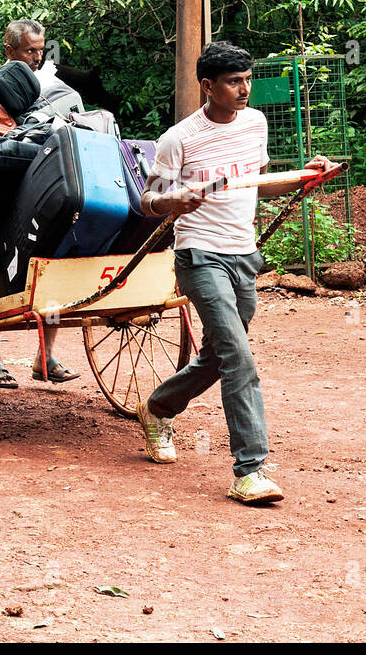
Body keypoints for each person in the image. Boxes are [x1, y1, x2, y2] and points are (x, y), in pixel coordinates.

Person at [136, 41, 330, 505]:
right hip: (199, 256)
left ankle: (158, 408)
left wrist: (307, 177)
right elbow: (147, 201)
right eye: (233, 81)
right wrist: (172, 201)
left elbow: (263, 184)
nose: (245, 90)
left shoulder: (256, 124)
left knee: (222, 356)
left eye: (248, 80)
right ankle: (250, 471)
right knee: (239, 357)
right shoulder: (178, 138)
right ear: (208, 86)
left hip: (244, 254)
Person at [0, 18, 81, 387]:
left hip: (40, 185)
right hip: (1, 190)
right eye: (29, 52)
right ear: (10, 51)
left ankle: (46, 356)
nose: (36, 58)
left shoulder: (50, 84)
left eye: (40, 51)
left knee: (52, 260)